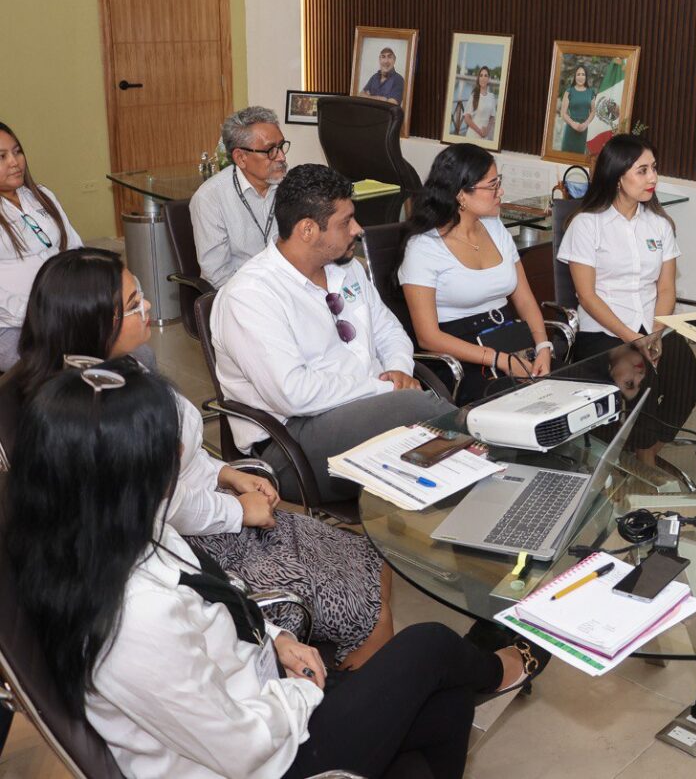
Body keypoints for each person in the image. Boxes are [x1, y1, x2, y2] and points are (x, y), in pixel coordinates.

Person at [4, 361, 544, 778]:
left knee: (445, 711)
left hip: (261, 698)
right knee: (428, 647)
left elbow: (216, 594)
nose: (181, 451)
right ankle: (505, 670)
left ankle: (484, 677)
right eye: (166, 444)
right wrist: (304, 693)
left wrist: (278, 637)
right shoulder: (133, 619)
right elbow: (239, 748)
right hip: (261, 760)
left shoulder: (109, 530)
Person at [0, 247, 393, 669]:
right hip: (185, 545)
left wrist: (225, 474)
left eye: (140, 293)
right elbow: (157, 505)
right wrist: (238, 511)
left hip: (212, 511)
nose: (148, 306)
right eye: (133, 305)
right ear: (93, 323)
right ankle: (343, 691)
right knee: (367, 608)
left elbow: (180, 455)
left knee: (375, 561)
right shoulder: (92, 414)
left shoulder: (126, 366)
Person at [212, 163, 453, 504]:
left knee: (437, 457)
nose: (358, 229)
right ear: (308, 229)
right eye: (345, 222)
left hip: (369, 410)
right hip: (291, 443)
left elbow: (389, 329)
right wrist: (385, 388)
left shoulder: (347, 268)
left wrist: (398, 369)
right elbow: (294, 394)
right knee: (424, 412)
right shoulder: (250, 295)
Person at [558, 134, 696, 464]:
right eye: (642, 170)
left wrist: (655, 334)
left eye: (654, 168)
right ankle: (643, 466)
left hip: (652, 326)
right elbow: (587, 295)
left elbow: (666, 290)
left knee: (687, 379)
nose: (653, 178)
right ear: (617, 176)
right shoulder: (587, 224)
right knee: (641, 380)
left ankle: (645, 453)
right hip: (604, 332)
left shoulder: (659, 225)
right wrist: (634, 338)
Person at [397, 143, 555, 405]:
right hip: (461, 356)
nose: (500, 191)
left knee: (568, 390)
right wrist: (498, 359)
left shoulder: (495, 228)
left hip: (510, 341)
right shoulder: (424, 247)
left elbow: (525, 300)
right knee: (520, 404)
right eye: (492, 185)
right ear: (461, 194)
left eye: (498, 182)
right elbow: (428, 337)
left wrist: (543, 347)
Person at [0, 121, 82, 371]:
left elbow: (75, 248)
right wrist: (40, 314)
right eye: (2, 157)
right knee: (53, 369)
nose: (14, 162)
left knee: (137, 357)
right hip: (12, 326)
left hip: (63, 312)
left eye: (17, 152)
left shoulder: (41, 195)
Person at [190, 106, 289, 288]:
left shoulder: (291, 186)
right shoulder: (210, 198)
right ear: (241, 158)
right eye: (270, 150)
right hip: (240, 293)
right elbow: (217, 275)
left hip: (287, 286)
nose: (281, 157)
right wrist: (261, 296)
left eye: (281, 146)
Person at [559, 64, 596, 154]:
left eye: (583, 74)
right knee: (566, 156)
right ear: (575, 76)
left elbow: (593, 111)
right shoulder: (569, 91)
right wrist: (573, 124)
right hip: (570, 128)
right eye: (578, 74)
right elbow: (563, 113)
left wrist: (585, 124)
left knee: (581, 156)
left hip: (584, 128)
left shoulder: (591, 92)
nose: (580, 77)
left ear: (586, 77)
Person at [463, 66, 496, 140]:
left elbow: (492, 117)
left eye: (485, 75)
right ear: (478, 78)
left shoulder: (492, 97)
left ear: (489, 79)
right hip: (473, 135)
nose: (483, 78)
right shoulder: (474, 95)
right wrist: (479, 131)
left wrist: (487, 131)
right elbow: (467, 118)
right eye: (481, 75)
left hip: (485, 137)